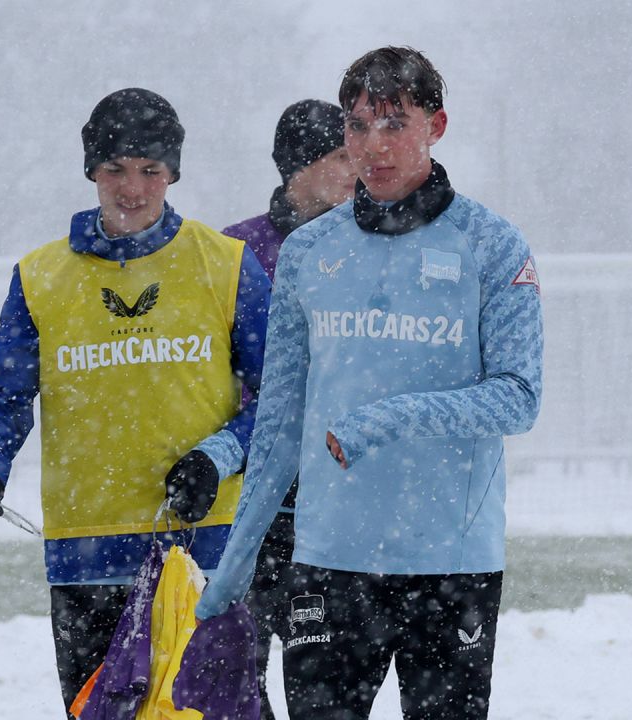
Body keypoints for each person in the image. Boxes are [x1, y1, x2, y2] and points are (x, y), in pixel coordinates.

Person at [196, 47, 544, 720]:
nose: (373, 146)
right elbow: (278, 426)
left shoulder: (493, 244)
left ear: (435, 126)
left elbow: (519, 396)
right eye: (358, 126)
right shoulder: (307, 253)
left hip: (451, 563)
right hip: (329, 559)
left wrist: (387, 419)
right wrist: (231, 572)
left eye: (394, 124)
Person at [0, 87, 270, 720]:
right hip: (83, 550)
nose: (132, 187)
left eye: (149, 170)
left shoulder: (227, 266)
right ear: (92, 171)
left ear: (172, 173)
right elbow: (2, 389)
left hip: (201, 548)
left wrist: (215, 457)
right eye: (115, 169)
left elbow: (282, 400)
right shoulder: (40, 277)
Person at [221, 98, 356, 720]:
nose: (358, 165)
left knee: (327, 691)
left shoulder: (372, 248)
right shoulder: (231, 255)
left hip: (337, 507)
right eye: (340, 154)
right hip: (246, 507)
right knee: (235, 683)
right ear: (298, 166)